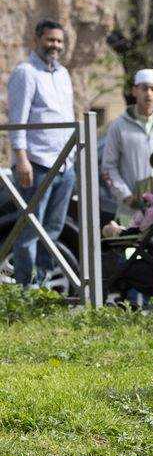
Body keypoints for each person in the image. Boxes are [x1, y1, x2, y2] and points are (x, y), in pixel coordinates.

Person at [6, 19, 76, 288]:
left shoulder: (63, 74)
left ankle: (45, 288)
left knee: (53, 232)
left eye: (59, 41)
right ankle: (25, 290)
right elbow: (18, 119)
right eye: (50, 40)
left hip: (64, 165)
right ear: (36, 39)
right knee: (29, 231)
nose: (55, 46)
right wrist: (21, 157)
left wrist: (72, 160)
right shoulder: (25, 72)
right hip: (37, 163)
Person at [101, 68, 153, 225]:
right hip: (129, 210)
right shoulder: (119, 126)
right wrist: (128, 197)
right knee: (130, 249)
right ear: (135, 91)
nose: (148, 93)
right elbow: (108, 168)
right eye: (144, 88)